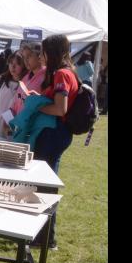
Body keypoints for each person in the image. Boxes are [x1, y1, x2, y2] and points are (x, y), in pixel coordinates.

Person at [25, 34, 80, 250]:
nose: (42, 56)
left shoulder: (61, 75)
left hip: (54, 133)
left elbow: (60, 109)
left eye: (45, 52)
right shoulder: (66, 73)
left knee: (46, 186)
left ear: (52, 53)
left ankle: (46, 238)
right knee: (45, 184)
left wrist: (35, 105)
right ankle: (44, 236)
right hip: (55, 133)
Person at [10, 42, 46, 117]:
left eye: (29, 56)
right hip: (18, 124)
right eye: (24, 57)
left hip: (32, 125)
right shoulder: (25, 77)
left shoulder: (46, 77)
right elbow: (17, 99)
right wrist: (9, 116)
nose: (25, 60)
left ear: (39, 56)